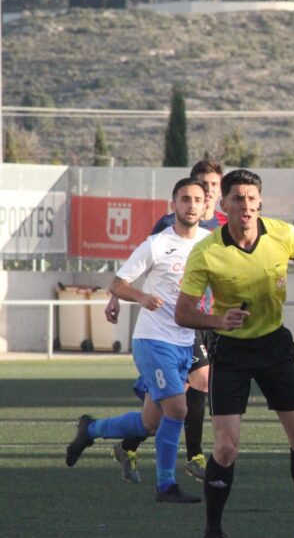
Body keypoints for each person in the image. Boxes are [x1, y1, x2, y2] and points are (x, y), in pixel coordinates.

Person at [173, 168, 294, 538]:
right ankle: (212, 534)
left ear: (260, 202)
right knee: (226, 448)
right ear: (223, 205)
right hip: (231, 352)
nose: (247, 206)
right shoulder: (207, 251)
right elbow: (183, 312)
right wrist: (218, 321)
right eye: (238, 198)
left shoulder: (283, 235)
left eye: (252, 199)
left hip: (273, 347)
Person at [66, 178, 213, 504]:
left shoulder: (210, 242)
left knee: (150, 423)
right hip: (153, 339)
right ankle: (166, 485)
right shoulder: (157, 244)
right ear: (173, 205)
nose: (191, 205)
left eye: (197, 199)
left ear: (205, 206)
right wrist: (141, 296)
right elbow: (118, 284)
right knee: (178, 408)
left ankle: (90, 429)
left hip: (185, 341)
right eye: (184, 199)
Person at [106, 159, 227, 484]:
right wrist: (118, 296)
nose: (206, 191)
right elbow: (139, 266)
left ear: (218, 191)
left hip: (204, 321)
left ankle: (130, 446)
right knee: (189, 390)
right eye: (201, 184)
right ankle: (189, 461)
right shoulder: (167, 227)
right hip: (170, 324)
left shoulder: (221, 227)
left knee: (173, 401)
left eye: (212, 186)